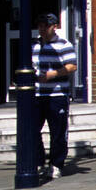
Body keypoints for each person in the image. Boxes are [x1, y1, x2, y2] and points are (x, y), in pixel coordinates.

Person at [32, 13, 76, 181]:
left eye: (46, 26)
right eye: (40, 26)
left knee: (57, 132)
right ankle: (39, 162)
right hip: (37, 95)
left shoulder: (63, 45)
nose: (42, 29)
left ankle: (56, 164)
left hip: (57, 95)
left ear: (55, 26)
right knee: (32, 130)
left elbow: (72, 66)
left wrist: (51, 75)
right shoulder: (34, 45)